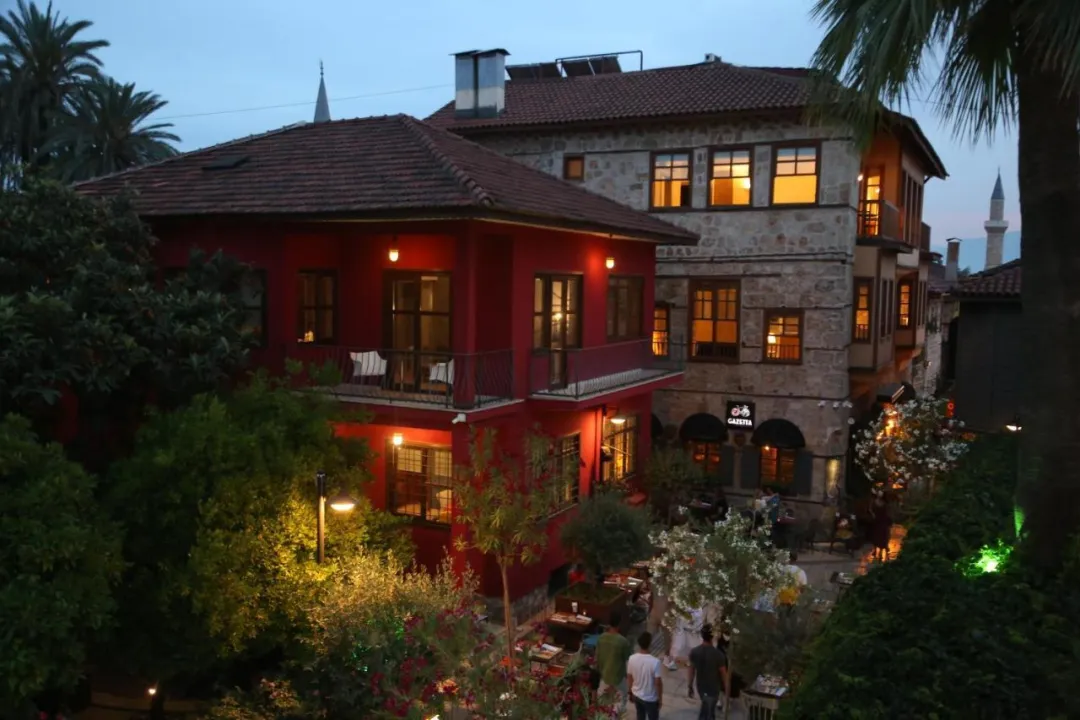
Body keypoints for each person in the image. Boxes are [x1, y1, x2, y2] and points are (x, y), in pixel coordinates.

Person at [687, 624, 730, 720]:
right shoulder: (719, 655)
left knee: (706, 708)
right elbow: (724, 676)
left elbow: (691, 670)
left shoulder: (694, 652)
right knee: (709, 713)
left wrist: (690, 686)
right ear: (712, 637)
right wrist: (727, 692)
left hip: (701, 687)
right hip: (713, 689)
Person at [595, 611, 631, 715]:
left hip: (604, 677)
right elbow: (628, 661)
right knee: (619, 706)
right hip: (618, 680)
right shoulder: (623, 642)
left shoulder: (601, 638)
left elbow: (597, 658)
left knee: (603, 708)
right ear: (619, 623)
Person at [627, 631, 663, 720]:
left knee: (640, 716)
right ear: (650, 644)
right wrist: (660, 699)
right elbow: (657, 683)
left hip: (636, 694)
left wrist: (630, 692)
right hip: (650, 698)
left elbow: (629, 677)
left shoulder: (632, 658)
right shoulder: (655, 662)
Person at [869, 492, 893, 561]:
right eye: (879, 493)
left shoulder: (885, 503)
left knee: (883, 536)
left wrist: (889, 521)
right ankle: (875, 550)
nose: (879, 494)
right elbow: (870, 509)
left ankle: (881, 552)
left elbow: (888, 512)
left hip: (883, 521)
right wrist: (873, 514)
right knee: (875, 535)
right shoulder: (874, 502)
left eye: (881, 493)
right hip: (876, 521)